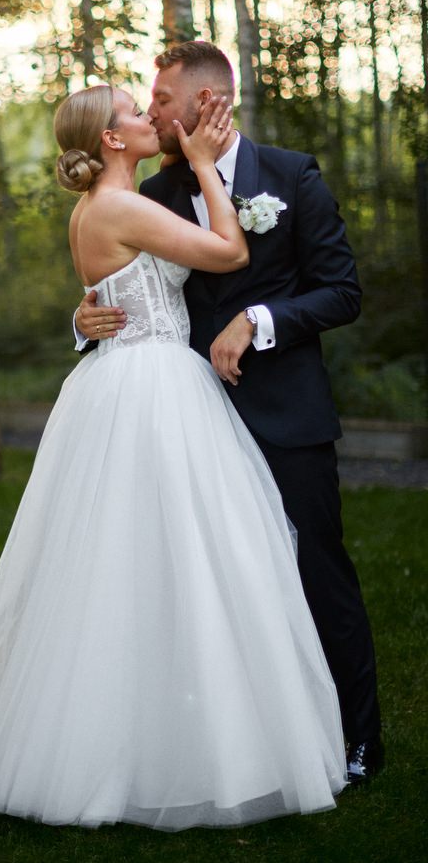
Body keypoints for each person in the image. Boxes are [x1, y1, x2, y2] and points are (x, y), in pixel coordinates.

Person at [0, 84, 347, 830]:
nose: (148, 117)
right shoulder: (120, 206)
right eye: (134, 110)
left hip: (126, 379)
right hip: (153, 387)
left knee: (131, 560)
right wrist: (205, 164)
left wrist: (84, 315)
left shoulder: (102, 206)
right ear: (112, 140)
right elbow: (230, 251)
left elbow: (113, 296)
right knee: (183, 553)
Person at [76, 42, 383, 786]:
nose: (154, 111)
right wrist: (83, 321)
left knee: (317, 570)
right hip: (184, 419)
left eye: (162, 99)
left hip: (285, 413)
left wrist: (259, 319)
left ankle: (357, 739)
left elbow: (341, 291)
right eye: (147, 102)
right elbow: (124, 278)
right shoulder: (153, 189)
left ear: (208, 101)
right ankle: (233, 741)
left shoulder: (291, 174)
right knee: (198, 584)